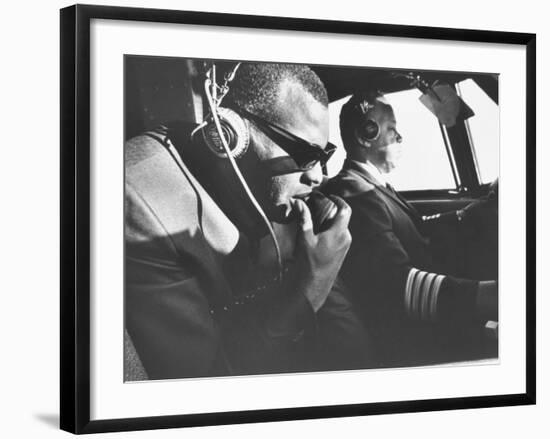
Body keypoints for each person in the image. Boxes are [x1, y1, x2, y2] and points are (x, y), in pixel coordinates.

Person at [124, 62, 373, 381]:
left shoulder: (278, 198)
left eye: (323, 156)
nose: (317, 176)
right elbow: (203, 384)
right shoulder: (141, 203)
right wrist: (313, 285)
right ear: (229, 134)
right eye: (304, 153)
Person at [324, 91, 498, 367]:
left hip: (422, 326)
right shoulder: (354, 193)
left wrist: (465, 215)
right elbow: (396, 285)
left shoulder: (373, 186)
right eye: (391, 129)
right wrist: (489, 296)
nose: (400, 137)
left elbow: (414, 228)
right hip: (412, 341)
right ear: (364, 134)